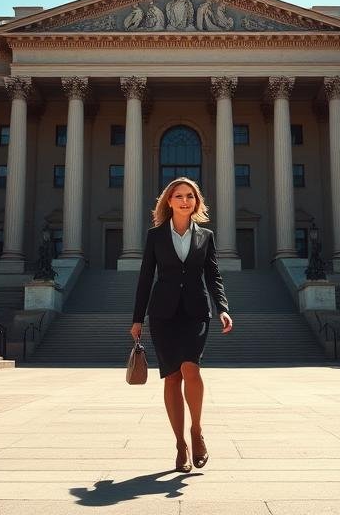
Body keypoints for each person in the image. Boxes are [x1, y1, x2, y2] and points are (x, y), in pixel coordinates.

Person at [131, 177, 233, 473]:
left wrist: (223, 308)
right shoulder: (155, 236)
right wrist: (137, 318)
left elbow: (213, 275)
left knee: (192, 368)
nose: (185, 200)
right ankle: (180, 445)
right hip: (163, 314)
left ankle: (197, 431)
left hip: (196, 311)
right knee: (173, 377)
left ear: (196, 201)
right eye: (179, 196)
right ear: (169, 201)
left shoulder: (206, 236)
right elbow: (145, 278)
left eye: (190, 196)